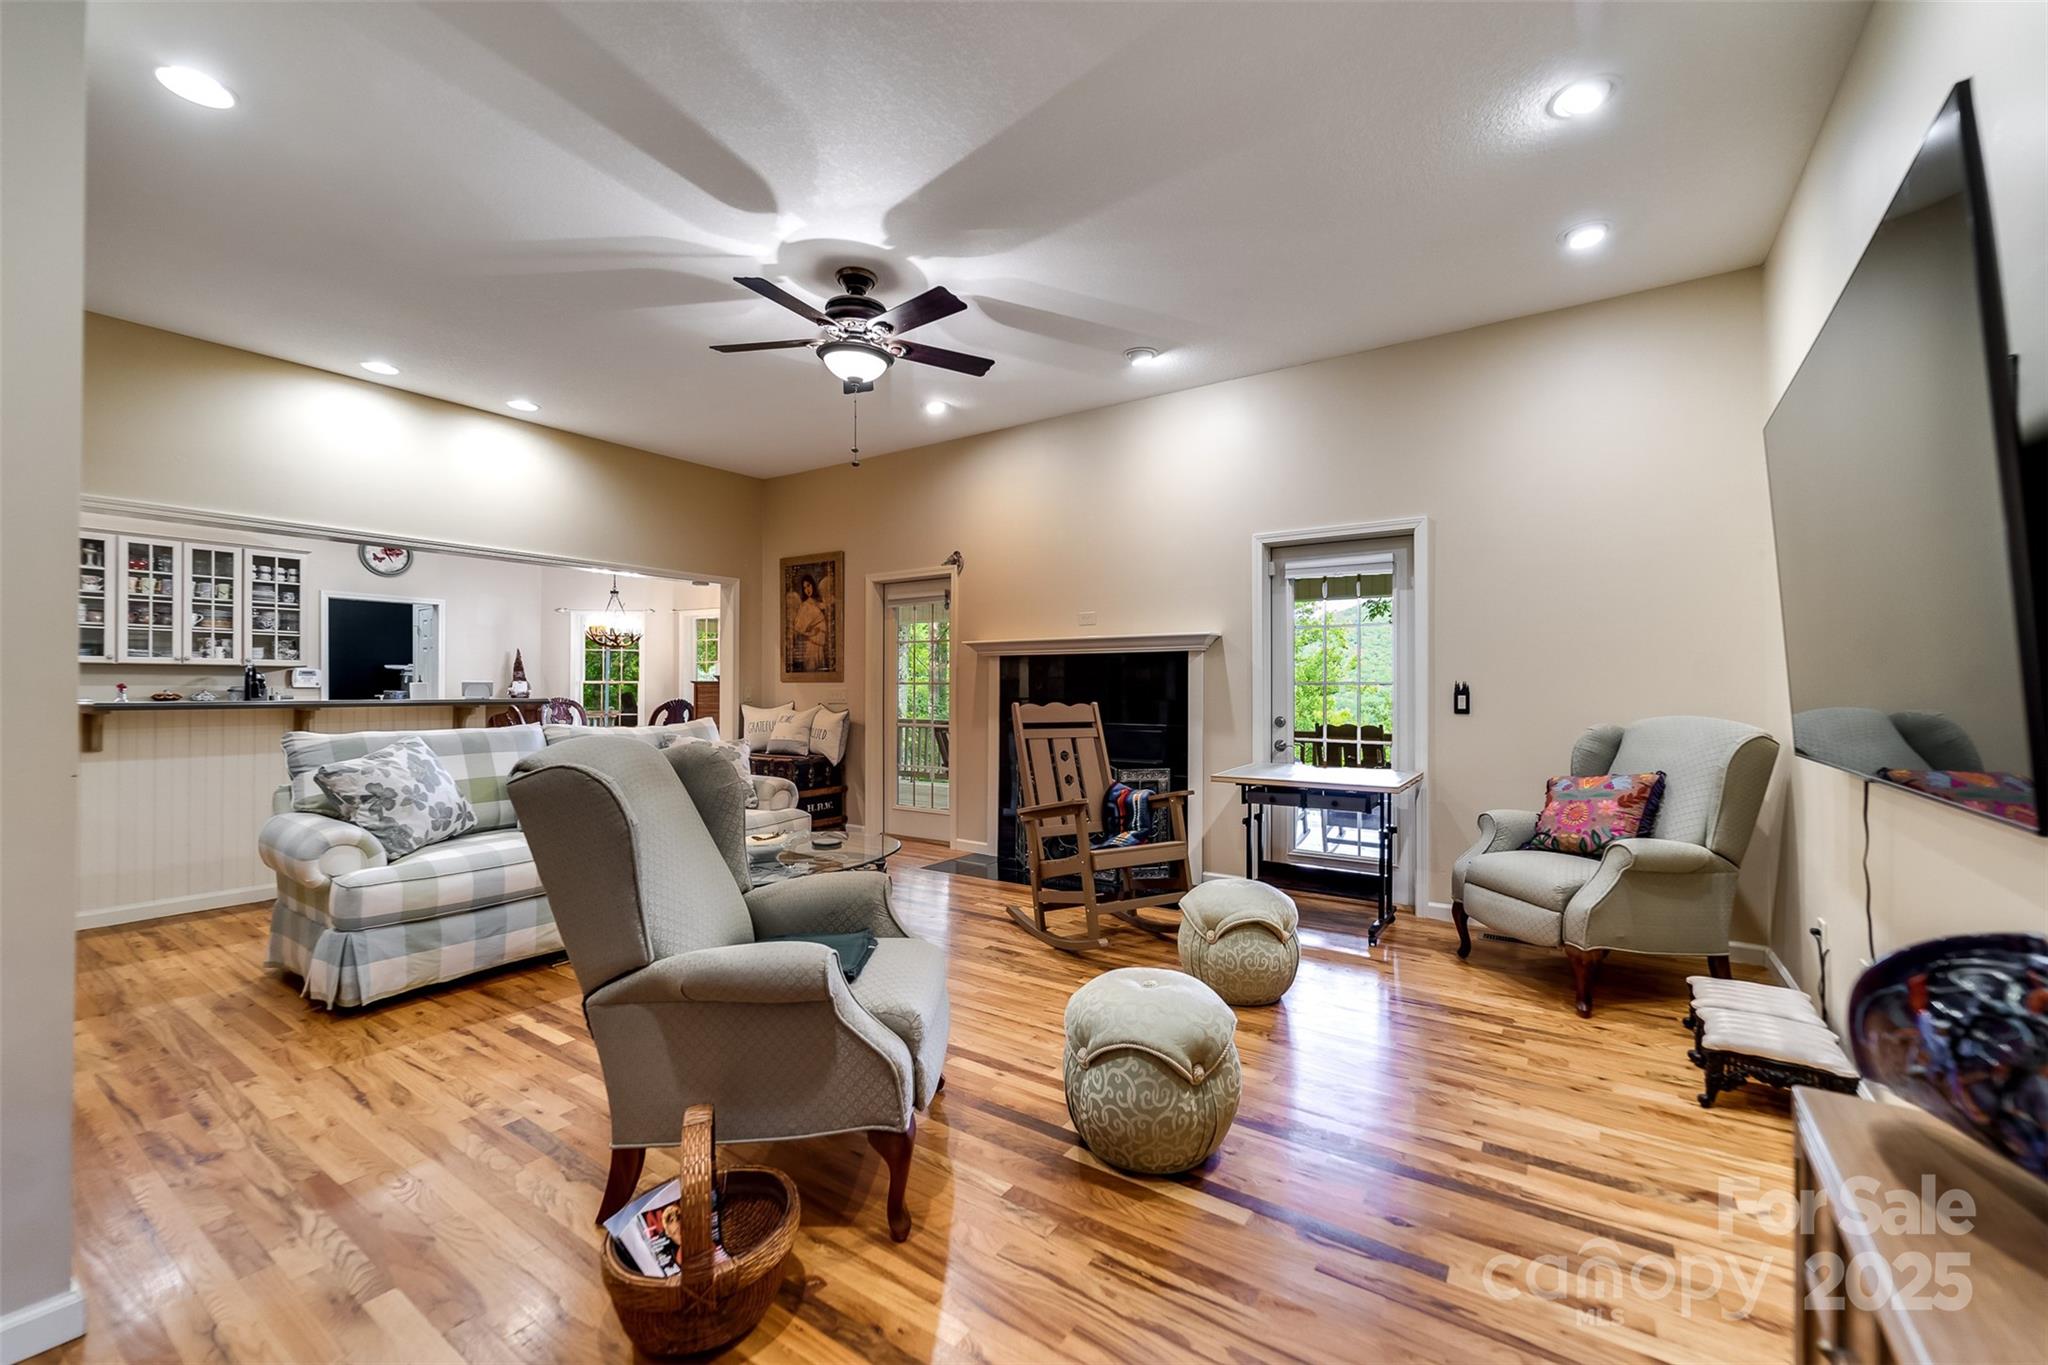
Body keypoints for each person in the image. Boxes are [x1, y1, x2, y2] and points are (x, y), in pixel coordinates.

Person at [790, 573, 828, 672]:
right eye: (804, 587)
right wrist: (809, 633)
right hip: (811, 646)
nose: (807, 590)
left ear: (813, 585)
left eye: (809, 585)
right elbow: (797, 628)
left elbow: (825, 605)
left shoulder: (817, 603)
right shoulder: (805, 606)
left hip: (820, 645)